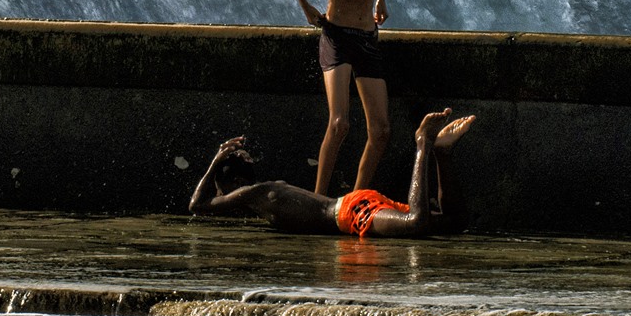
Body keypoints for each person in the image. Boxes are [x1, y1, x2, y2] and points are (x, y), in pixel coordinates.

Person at [188, 109, 475, 238]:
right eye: (238, 157)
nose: (243, 154)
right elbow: (201, 204)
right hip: (355, 206)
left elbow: (198, 205)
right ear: (234, 182)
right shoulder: (255, 195)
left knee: (415, 222)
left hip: (350, 212)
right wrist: (217, 162)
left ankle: (423, 143)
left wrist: (217, 161)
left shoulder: (260, 192)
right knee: (457, 222)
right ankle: (442, 154)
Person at [283, 0, 397, 196]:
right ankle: (318, 199)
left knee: (381, 132)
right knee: (339, 124)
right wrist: (305, 6)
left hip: (367, 40)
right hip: (337, 39)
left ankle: (356, 200)